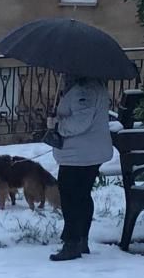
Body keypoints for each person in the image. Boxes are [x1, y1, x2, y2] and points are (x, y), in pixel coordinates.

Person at [48, 75, 113, 261]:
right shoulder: (94, 85)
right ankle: (81, 239)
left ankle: (72, 242)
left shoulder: (83, 90)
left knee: (70, 197)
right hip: (88, 152)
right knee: (82, 195)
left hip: (79, 154)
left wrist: (57, 125)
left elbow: (80, 123)